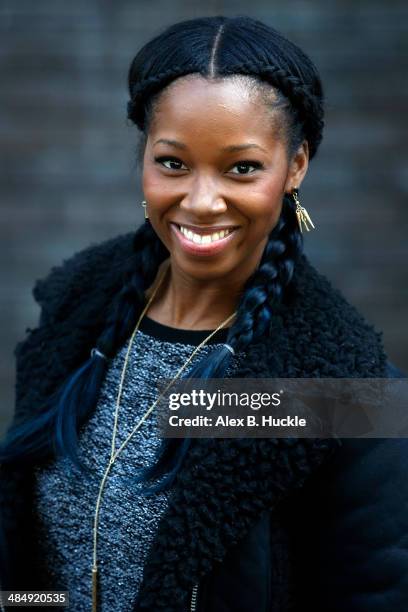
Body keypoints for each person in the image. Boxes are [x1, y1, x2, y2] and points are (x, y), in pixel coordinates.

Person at [0, 14, 406, 612]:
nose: (201, 200)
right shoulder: (75, 314)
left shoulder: (340, 385)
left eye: (242, 167)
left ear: (295, 167)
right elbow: (33, 569)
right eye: (173, 163)